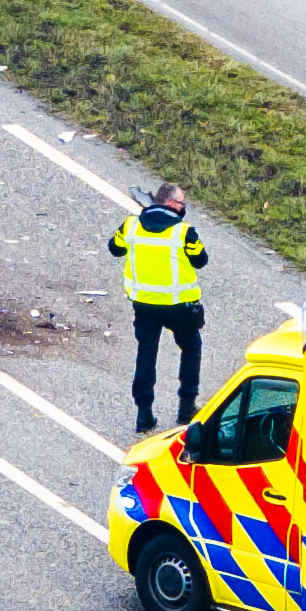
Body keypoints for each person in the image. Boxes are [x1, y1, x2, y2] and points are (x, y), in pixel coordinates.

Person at [110, 183, 209, 433]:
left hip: (145, 306)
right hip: (179, 307)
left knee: (146, 354)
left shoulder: (131, 225)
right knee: (191, 348)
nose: (184, 207)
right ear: (172, 205)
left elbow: (115, 248)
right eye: (182, 203)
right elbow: (201, 261)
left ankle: (144, 414)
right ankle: (186, 407)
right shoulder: (185, 232)